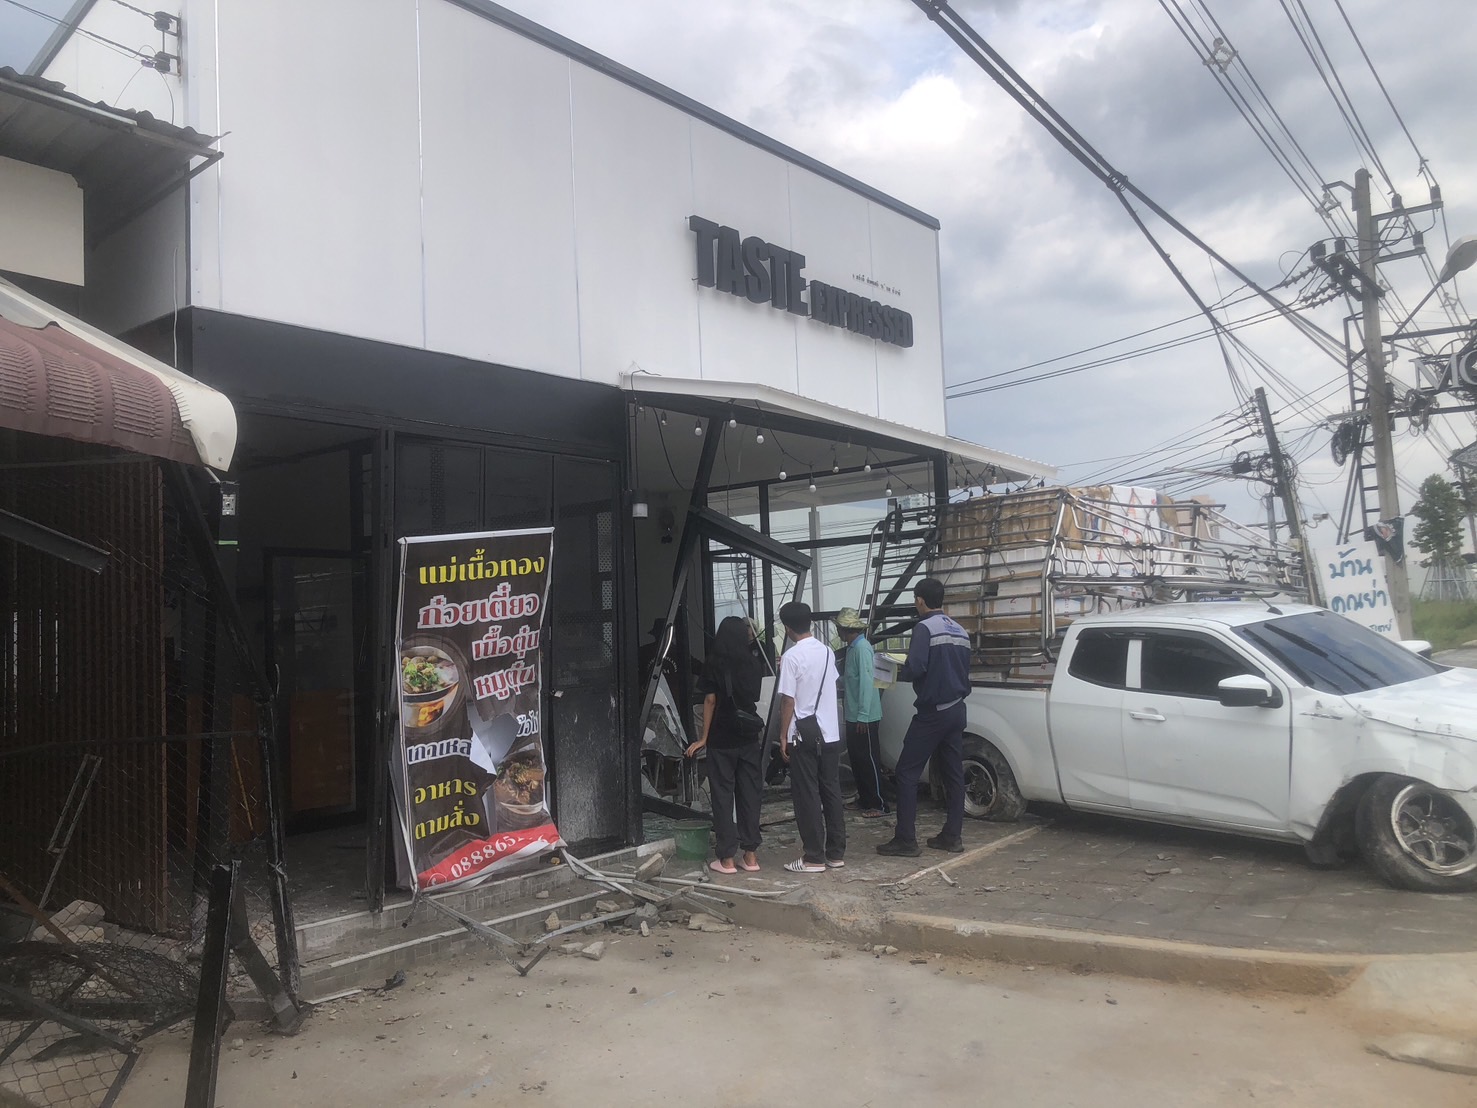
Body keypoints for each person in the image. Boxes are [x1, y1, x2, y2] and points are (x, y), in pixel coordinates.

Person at [876, 578, 971, 858]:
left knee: (906, 773)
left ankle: (906, 839)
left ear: (919, 600)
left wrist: (895, 669)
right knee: (953, 775)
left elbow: (916, 666)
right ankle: (952, 836)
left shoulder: (924, 628)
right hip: (957, 709)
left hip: (933, 713)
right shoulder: (960, 631)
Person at [686, 616, 766, 874]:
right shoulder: (754, 662)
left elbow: (710, 701)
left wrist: (703, 738)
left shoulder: (714, 663)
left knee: (723, 796)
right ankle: (751, 856)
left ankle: (727, 859)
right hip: (748, 737)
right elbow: (754, 696)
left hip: (722, 738)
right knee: (750, 794)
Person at [776, 601, 845, 874]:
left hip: (803, 735)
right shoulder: (827, 652)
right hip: (830, 733)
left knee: (807, 794)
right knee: (831, 791)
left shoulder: (791, 657)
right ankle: (836, 854)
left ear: (787, 628)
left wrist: (783, 735)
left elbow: (788, 701)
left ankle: (813, 857)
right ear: (810, 623)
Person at [834, 607, 888, 818]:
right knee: (857, 759)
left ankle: (878, 803)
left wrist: (863, 715)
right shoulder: (852, 648)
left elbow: (867, 683)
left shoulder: (862, 648)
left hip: (864, 716)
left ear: (844, 629)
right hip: (853, 713)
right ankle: (865, 799)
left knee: (869, 760)